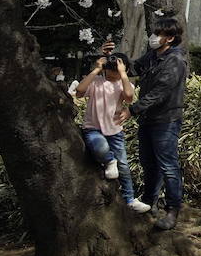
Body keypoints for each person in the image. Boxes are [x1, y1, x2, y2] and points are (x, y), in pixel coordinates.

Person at [129, 17, 189, 230]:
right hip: (148, 119)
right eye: (154, 33)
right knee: (148, 162)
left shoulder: (175, 61)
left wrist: (133, 109)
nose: (154, 37)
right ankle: (149, 201)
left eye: (159, 34)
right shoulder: (153, 56)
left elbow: (161, 91)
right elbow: (133, 68)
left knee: (168, 166)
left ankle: (173, 210)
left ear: (170, 38)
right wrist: (112, 59)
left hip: (166, 120)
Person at [75, 55, 152, 213]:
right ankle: (110, 161)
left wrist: (124, 74)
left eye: (115, 68)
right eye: (109, 67)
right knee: (100, 147)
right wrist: (96, 69)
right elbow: (79, 92)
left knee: (123, 166)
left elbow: (129, 98)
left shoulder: (123, 84)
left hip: (115, 131)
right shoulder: (96, 82)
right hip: (93, 127)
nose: (112, 70)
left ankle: (130, 199)